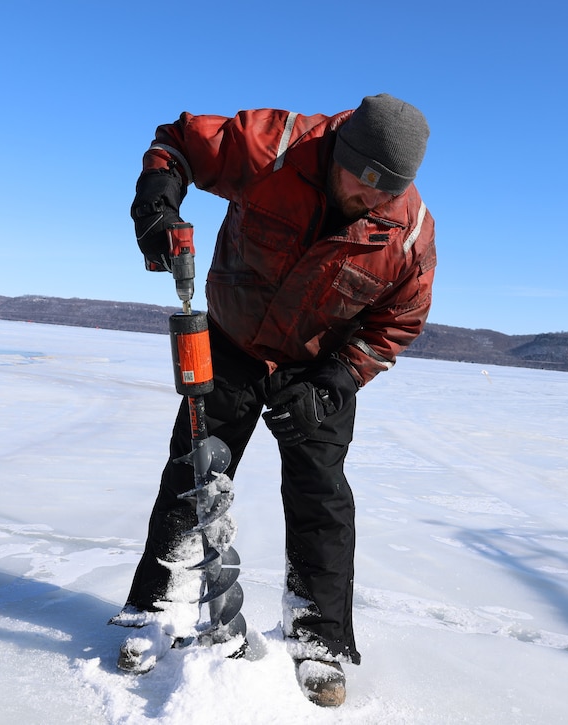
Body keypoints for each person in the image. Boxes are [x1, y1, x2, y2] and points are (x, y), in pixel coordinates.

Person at [113, 93, 436, 707]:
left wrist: (340, 380)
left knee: (322, 498)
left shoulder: (408, 235)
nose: (367, 201)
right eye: (358, 183)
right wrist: (157, 199)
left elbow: (397, 323)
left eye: (382, 194)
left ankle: (318, 638)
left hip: (317, 367)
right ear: (339, 151)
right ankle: (159, 607)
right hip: (232, 343)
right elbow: (177, 143)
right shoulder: (276, 147)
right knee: (193, 472)